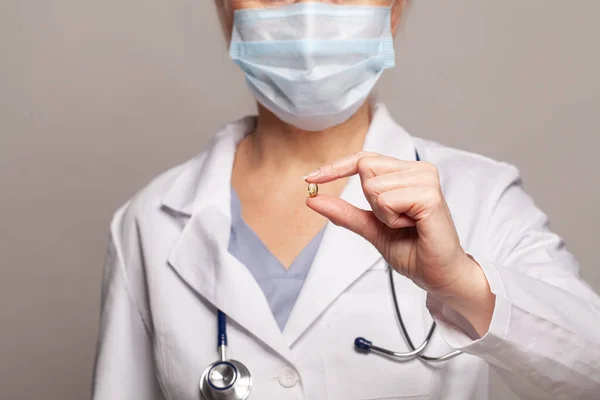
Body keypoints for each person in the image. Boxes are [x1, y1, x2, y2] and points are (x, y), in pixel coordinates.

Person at [92, 1, 600, 399]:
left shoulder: (481, 196)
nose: (310, 18)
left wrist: (463, 284)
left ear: (394, 11)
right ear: (226, 10)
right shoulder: (149, 220)